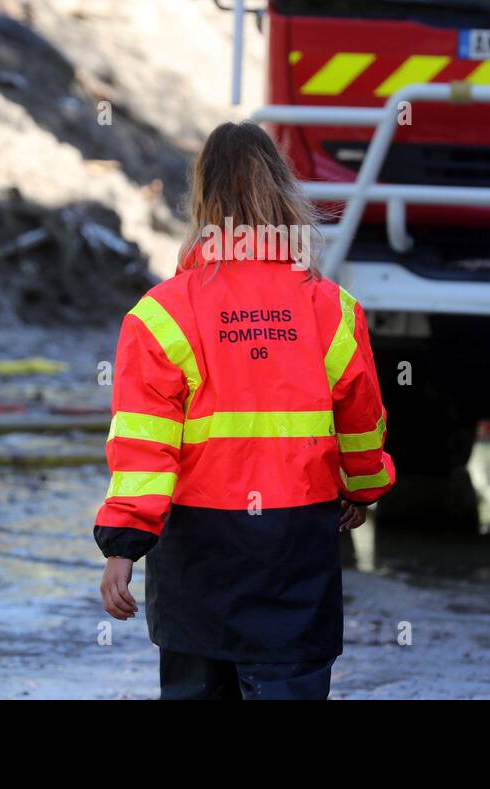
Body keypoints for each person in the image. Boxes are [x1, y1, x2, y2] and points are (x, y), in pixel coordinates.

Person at [93, 121, 396, 700]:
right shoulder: (332, 310)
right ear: (283, 193)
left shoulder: (160, 315)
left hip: (197, 554)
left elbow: (144, 449)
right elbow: (360, 421)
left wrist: (122, 548)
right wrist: (362, 489)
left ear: (203, 198)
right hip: (294, 546)